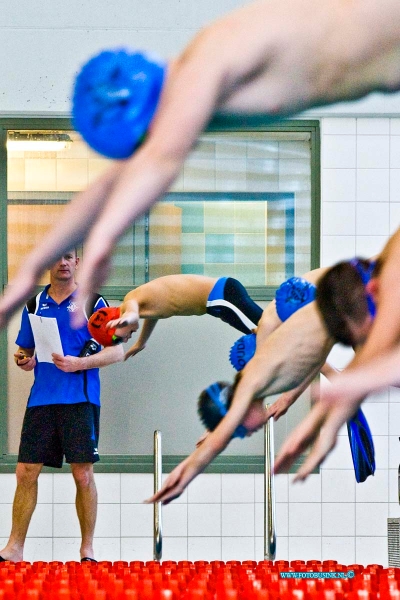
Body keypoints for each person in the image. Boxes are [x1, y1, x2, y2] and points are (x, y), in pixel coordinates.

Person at [1, 0, 400, 326]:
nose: (150, 148)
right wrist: (30, 267)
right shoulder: (186, 97)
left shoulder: (208, 60)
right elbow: (112, 183)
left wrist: (104, 240)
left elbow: (162, 160)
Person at [147, 270, 335, 505]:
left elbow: (312, 358)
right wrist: (186, 473)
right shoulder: (270, 358)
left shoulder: (271, 352)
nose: (247, 434)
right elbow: (311, 361)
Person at [0, 250, 124, 563]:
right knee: (25, 471)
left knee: (82, 474)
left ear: (77, 262)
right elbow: (23, 350)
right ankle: (14, 548)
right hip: (42, 399)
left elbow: (117, 352)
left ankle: (87, 549)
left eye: (69, 257)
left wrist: (80, 363)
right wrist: (23, 360)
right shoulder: (33, 304)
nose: (63, 262)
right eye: (57, 257)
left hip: (79, 399)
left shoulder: (94, 303)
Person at [105, 274, 263, 358]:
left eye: (118, 339)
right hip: (219, 304)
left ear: (117, 322)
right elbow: (153, 315)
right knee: (265, 332)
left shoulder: (130, 303)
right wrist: (141, 342)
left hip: (221, 296)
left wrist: (129, 317)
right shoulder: (142, 305)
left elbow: (131, 312)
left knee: (266, 330)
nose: (125, 340)